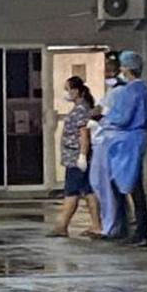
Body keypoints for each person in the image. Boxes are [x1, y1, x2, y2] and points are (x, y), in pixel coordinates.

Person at [101, 51, 147, 248]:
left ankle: (134, 230)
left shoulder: (129, 92)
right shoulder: (146, 91)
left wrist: (105, 119)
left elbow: (122, 118)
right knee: (134, 184)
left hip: (125, 142)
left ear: (127, 68)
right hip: (138, 139)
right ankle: (138, 229)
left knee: (127, 185)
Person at [48, 77, 99, 238]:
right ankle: (97, 225)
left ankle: (62, 226)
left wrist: (82, 155)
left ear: (76, 91)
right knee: (88, 191)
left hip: (76, 157)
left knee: (71, 192)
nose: (66, 93)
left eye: (68, 89)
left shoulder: (80, 111)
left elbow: (84, 134)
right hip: (76, 156)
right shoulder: (81, 108)